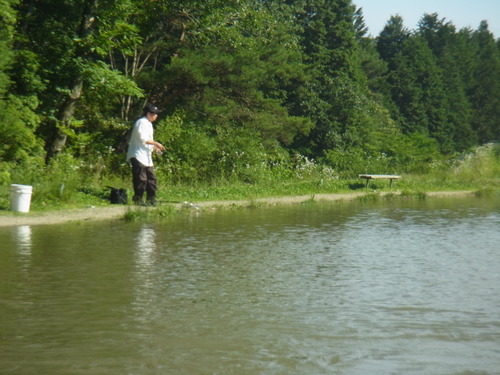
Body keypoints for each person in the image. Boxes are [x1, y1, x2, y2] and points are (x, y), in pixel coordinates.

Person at [127, 104, 166, 205]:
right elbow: (142, 139)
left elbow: (149, 141)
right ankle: (138, 199)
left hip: (146, 155)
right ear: (149, 113)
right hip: (137, 154)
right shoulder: (141, 122)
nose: (156, 116)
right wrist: (156, 143)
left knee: (151, 178)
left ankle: (151, 198)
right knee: (141, 178)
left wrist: (155, 147)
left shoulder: (149, 124)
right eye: (155, 114)